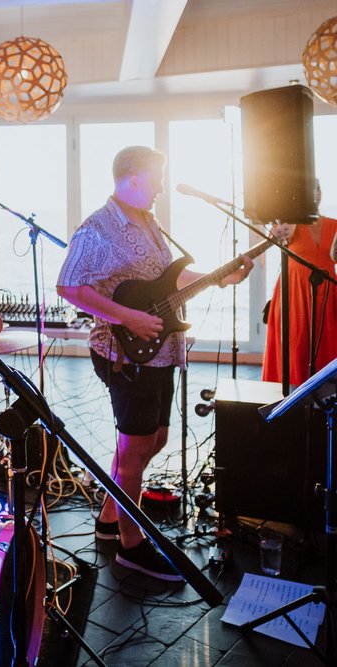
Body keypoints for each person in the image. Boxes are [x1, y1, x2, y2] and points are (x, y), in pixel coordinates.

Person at [56, 146, 251, 582]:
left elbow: (169, 280)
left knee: (153, 440)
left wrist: (221, 277)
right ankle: (131, 544)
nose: (162, 185)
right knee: (137, 447)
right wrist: (127, 316)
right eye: (157, 177)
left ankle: (109, 519)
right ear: (132, 176)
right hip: (124, 353)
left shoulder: (149, 222)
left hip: (160, 349)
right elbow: (68, 286)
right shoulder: (97, 228)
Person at [262, 179, 337, 386]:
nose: (316, 193)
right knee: (295, 346)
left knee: (327, 347)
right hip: (293, 295)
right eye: (310, 190)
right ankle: (292, 403)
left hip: (327, 294)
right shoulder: (289, 224)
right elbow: (271, 240)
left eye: (319, 188)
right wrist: (287, 220)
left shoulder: (334, 225)